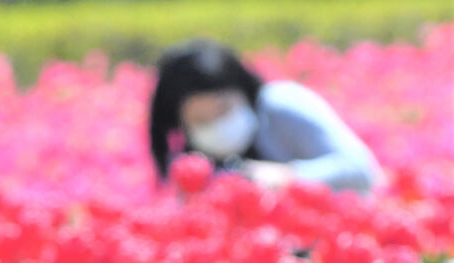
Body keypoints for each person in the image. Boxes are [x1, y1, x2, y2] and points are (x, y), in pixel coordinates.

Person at [149, 39, 381, 192]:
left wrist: (289, 177)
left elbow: (361, 168)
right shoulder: (191, 164)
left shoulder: (280, 106)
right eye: (200, 120)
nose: (216, 124)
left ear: (242, 90)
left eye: (224, 109)